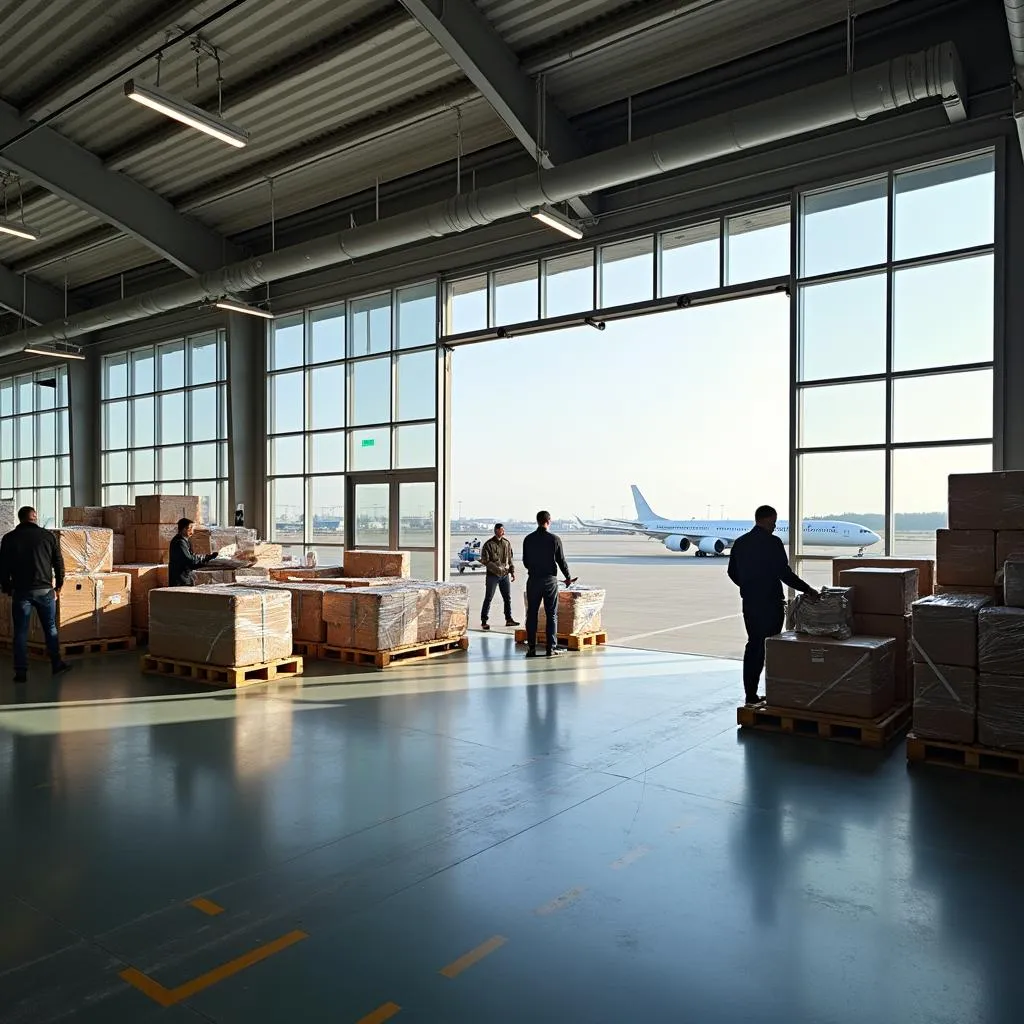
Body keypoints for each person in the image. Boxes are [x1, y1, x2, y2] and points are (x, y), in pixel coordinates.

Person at [727, 504, 818, 706]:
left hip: (750, 603)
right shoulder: (772, 543)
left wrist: (748, 587)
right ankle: (776, 693)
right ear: (767, 520)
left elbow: (732, 572)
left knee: (753, 646)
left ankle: (750, 695)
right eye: (774, 522)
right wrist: (808, 590)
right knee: (770, 648)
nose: (775, 526)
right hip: (770, 604)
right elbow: (783, 573)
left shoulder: (740, 543)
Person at [0, 506, 72, 684]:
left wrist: (8, 588)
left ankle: (21, 672)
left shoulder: (9, 538)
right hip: (45, 591)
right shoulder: (47, 536)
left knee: (21, 633)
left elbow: (2, 567)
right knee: (50, 628)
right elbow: (58, 563)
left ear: (20, 518)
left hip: (21, 592)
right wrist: (59, 585)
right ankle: (56, 663)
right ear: (34, 516)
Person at [522, 511, 574, 658]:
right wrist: (568, 577)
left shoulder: (528, 539)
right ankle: (551, 648)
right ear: (549, 521)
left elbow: (526, 562)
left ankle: (531, 648)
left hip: (533, 580)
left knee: (532, 614)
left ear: (537, 521)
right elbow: (561, 561)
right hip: (549, 580)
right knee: (551, 614)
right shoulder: (554, 539)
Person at [480, 523, 519, 631]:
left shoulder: (506, 543)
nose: (503, 531)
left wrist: (512, 572)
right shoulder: (488, 544)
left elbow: (510, 559)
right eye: (501, 530)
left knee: (507, 598)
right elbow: (485, 560)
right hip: (492, 575)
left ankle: (509, 619)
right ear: (496, 530)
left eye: (503, 530)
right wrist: (497, 569)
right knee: (488, 598)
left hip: (505, 575)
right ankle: (484, 621)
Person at [168, 518, 218, 587]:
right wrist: (205, 558)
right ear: (184, 529)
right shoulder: (180, 542)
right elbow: (189, 560)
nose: (192, 531)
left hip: (185, 578)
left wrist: (206, 559)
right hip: (181, 581)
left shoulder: (185, 541)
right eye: (191, 528)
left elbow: (191, 560)